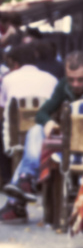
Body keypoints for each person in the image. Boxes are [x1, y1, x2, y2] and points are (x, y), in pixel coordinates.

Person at [2, 51, 83, 222]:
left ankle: (19, 195)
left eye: (81, 79)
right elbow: (42, 113)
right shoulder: (64, 86)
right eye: (71, 79)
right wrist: (48, 122)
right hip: (67, 145)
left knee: (38, 143)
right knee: (36, 130)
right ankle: (26, 179)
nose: (75, 84)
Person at [0, 44, 57, 190]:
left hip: (16, 134)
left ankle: (9, 178)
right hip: (46, 132)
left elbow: (2, 110)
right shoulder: (51, 79)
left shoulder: (8, 79)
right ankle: (24, 179)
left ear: (15, 63)